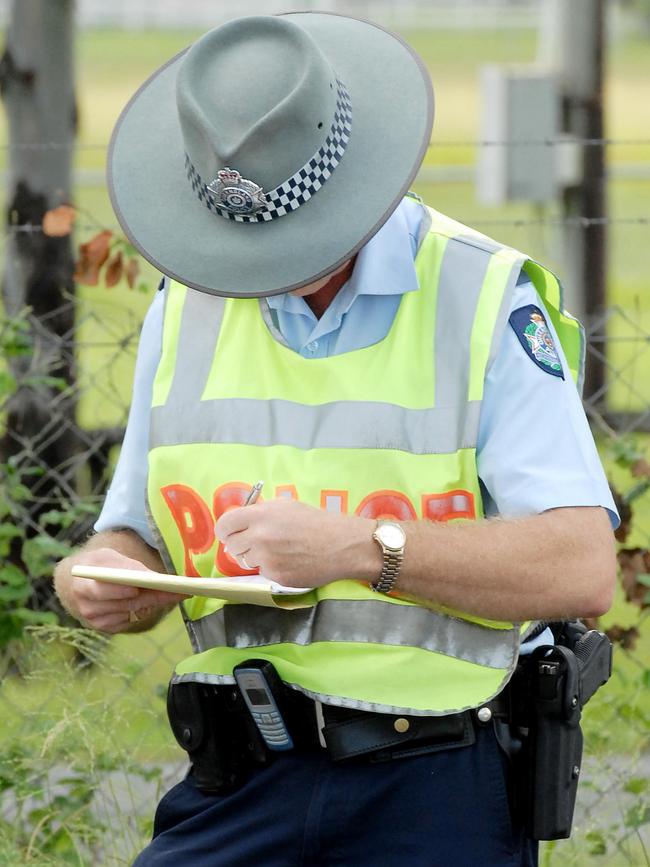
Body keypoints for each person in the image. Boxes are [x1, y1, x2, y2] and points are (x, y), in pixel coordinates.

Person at [54, 12, 619, 867]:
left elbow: (581, 567)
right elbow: (134, 526)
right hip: (237, 775)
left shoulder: (484, 301)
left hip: (437, 784)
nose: (266, 267)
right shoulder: (186, 306)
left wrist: (363, 549)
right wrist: (111, 574)